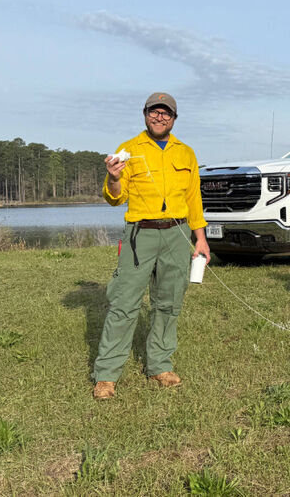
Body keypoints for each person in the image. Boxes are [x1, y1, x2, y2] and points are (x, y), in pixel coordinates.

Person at [91, 92, 210, 400]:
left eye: (166, 113)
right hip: (140, 235)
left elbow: (193, 199)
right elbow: (115, 197)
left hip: (177, 234)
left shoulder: (186, 153)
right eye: (154, 112)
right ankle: (106, 375)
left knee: (169, 303)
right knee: (124, 304)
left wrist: (200, 238)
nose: (160, 117)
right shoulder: (128, 150)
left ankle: (159, 364)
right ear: (145, 114)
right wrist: (113, 177)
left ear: (174, 118)